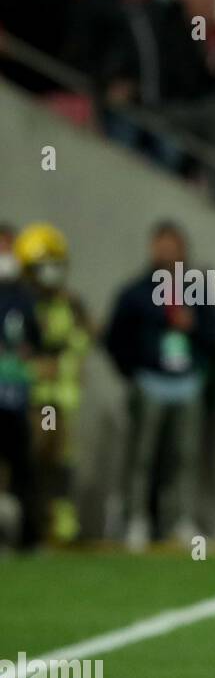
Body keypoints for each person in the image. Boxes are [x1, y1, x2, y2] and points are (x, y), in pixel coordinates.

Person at [104, 222, 215, 551]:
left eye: (174, 246)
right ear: (153, 248)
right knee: (141, 456)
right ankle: (136, 520)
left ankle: (179, 520)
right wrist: (135, 372)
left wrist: (193, 329)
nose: (168, 253)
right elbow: (116, 338)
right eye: (162, 245)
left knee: (184, 456)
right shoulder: (136, 291)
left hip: (186, 384)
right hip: (150, 383)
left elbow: (214, 338)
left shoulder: (198, 289)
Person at [15, 222, 91, 544]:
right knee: (27, 461)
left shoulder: (69, 305)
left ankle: (58, 526)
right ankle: (27, 525)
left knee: (58, 462)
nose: (50, 274)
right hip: (27, 398)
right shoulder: (18, 306)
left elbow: (79, 344)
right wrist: (34, 368)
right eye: (42, 267)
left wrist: (59, 364)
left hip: (58, 399)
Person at [0, 225, 40, 550]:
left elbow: (36, 343)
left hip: (16, 397)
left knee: (22, 467)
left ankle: (27, 538)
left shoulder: (23, 299)